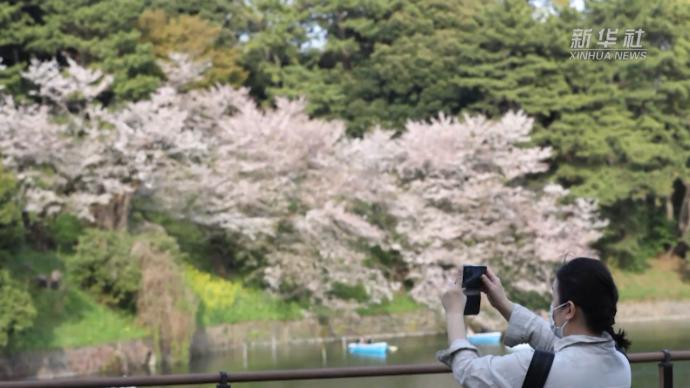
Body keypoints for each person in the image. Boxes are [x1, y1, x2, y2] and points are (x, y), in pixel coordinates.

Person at [437, 257, 632, 388]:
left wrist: (454, 313)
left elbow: (468, 372)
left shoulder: (529, 365)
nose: (552, 304)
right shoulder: (620, 361)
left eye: (554, 297)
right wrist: (503, 304)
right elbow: (561, 348)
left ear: (569, 310)